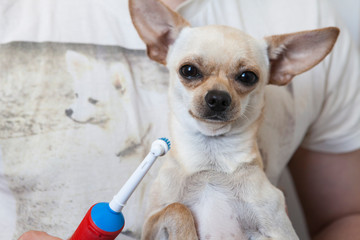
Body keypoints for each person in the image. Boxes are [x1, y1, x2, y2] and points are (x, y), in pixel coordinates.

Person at [2, 0, 358, 239]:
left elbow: (345, 215)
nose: (218, 93)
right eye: (192, 72)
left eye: (244, 78)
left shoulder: (308, 8)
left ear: (279, 68)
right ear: (161, 45)